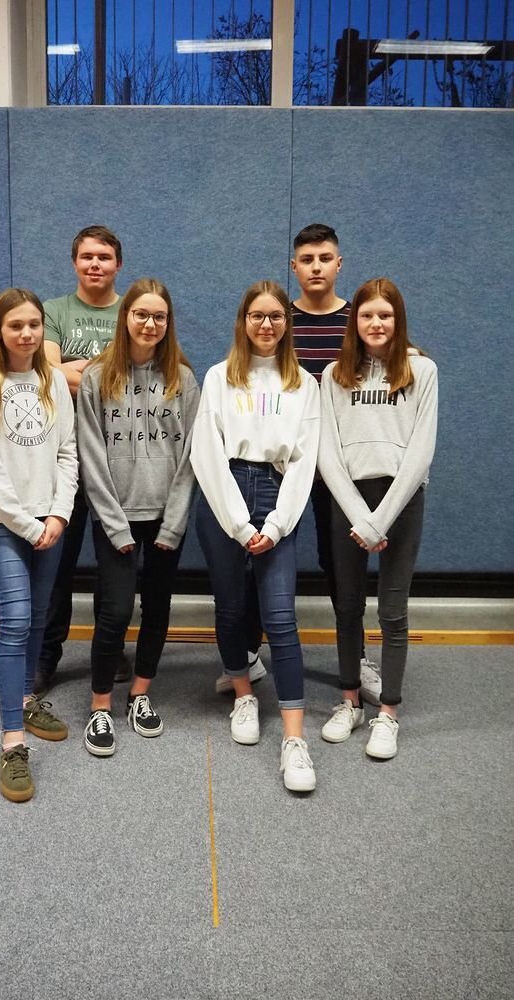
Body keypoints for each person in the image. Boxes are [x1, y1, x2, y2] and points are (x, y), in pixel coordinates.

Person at [222, 224, 382, 703]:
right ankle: (248, 653)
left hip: (339, 462)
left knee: (340, 563)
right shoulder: (276, 318)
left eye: (324, 258)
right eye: (307, 259)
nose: (316, 267)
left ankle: (357, 660)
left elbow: (386, 361)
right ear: (293, 267)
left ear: (339, 264)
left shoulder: (357, 321)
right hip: (282, 462)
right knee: (260, 552)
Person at [191, 281, 320, 793]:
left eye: (275, 317)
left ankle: (294, 740)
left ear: (286, 324)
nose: (266, 325)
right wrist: (240, 525)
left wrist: (276, 523)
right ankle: (243, 692)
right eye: (257, 316)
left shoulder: (303, 384)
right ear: (243, 321)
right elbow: (205, 453)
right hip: (224, 495)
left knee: (281, 617)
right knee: (229, 607)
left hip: (276, 492)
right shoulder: (219, 376)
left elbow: (305, 461)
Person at [0, 288, 78, 802]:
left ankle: (27, 698)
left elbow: (68, 451)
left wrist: (59, 513)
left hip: (50, 521)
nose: (27, 334)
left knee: (40, 614)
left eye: (34, 324)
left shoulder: (52, 379)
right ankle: (12, 741)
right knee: (15, 620)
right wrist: (28, 524)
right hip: (7, 523)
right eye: (16, 326)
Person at [77, 278, 200, 756]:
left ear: (168, 323)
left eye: (159, 317)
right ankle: (100, 705)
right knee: (115, 611)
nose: (150, 324)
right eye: (141, 314)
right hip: (116, 515)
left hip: (165, 516)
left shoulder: (183, 379)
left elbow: (192, 458)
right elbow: (90, 455)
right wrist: (113, 523)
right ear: (125, 316)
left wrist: (174, 522)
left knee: (158, 607)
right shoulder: (96, 377)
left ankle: (140, 695)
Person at [318, 278, 438, 759]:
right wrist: (360, 516)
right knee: (348, 606)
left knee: (392, 610)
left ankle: (388, 711)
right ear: (355, 321)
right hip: (350, 503)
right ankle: (350, 700)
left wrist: (380, 520)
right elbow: (328, 452)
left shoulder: (422, 369)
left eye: (385, 315)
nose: (376, 323)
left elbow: (421, 451)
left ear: (397, 319)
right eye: (367, 315)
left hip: (401, 501)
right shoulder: (334, 374)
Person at [34, 225, 131, 694]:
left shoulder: (131, 311)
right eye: (87, 256)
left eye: (104, 257)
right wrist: (101, 370)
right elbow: (46, 375)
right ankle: (45, 655)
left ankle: (109, 652)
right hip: (63, 453)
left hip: (118, 455)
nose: (95, 264)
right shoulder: (53, 311)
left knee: (114, 560)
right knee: (58, 561)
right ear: (75, 262)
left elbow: (131, 379)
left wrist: (73, 370)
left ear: (118, 265)